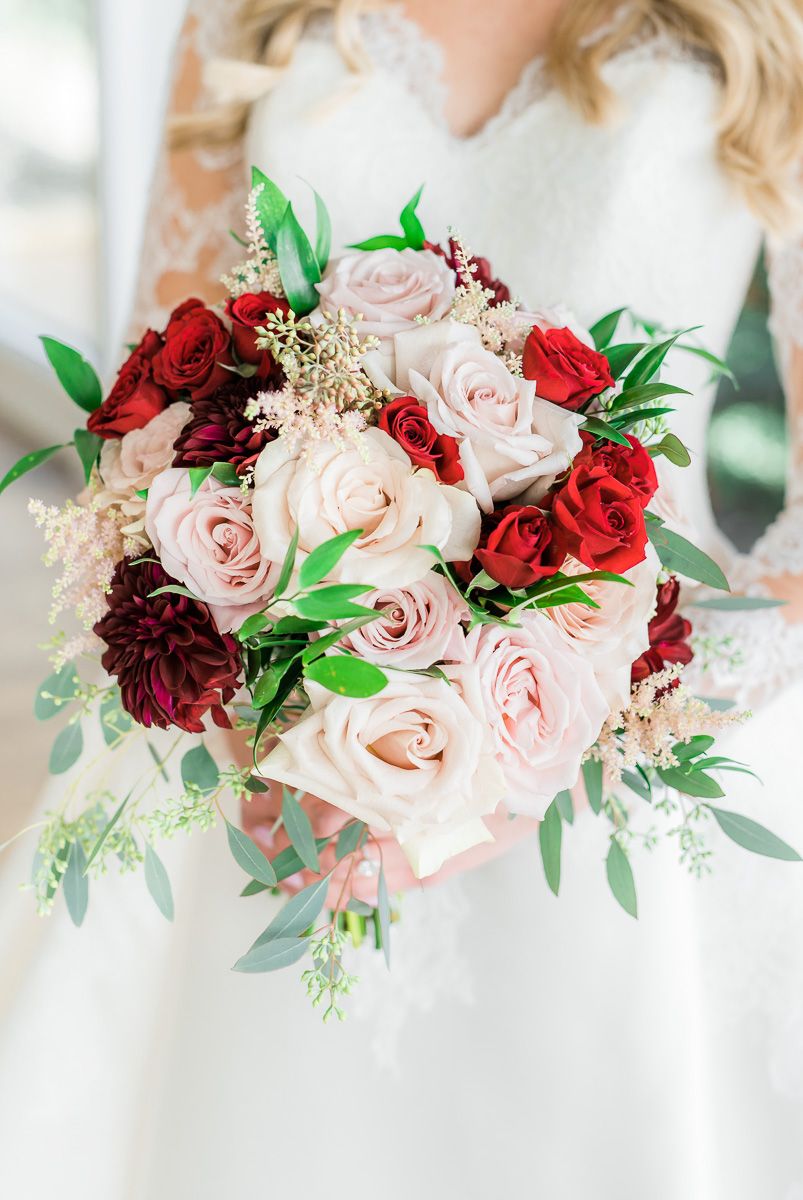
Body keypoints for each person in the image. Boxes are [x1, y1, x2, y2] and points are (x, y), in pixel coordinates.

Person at [3, 2, 803, 1196]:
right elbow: (150, 412)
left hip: (637, 770)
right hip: (273, 751)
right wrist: (266, 701)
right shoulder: (245, 18)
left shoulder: (760, 29)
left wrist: (563, 730)